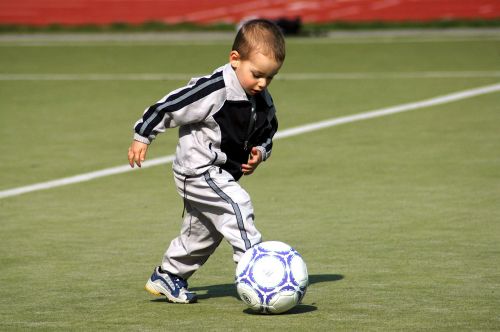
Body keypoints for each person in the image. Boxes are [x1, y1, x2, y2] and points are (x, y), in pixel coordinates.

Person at [127, 19, 285, 304]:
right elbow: (170, 106)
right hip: (198, 170)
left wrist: (261, 152)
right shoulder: (214, 89)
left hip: (221, 174)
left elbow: (268, 129)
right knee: (238, 205)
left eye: (270, 78)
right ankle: (258, 271)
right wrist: (143, 134)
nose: (262, 83)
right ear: (235, 60)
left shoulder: (261, 98)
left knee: (203, 235)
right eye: (257, 74)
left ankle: (168, 275)